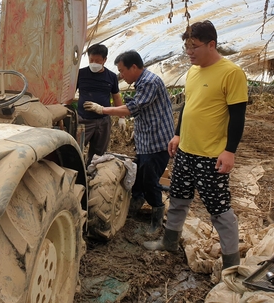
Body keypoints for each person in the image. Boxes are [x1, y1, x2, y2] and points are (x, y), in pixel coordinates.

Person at [143, 20, 248, 270]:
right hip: (186, 152)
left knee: (219, 210)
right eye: (186, 47)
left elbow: (238, 116)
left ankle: (231, 263)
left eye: (194, 46)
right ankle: (169, 241)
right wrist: (178, 135)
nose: (189, 52)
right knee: (178, 199)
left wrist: (229, 150)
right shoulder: (192, 71)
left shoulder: (231, 73)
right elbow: (189, 107)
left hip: (211, 156)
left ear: (211, 44)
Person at [84, 50, 174, 233]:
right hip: (146, 141)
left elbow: (132, 108)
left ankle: (157, 220)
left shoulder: (149, 82)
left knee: (150, 181)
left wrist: (102, 110)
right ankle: (133, 208)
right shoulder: (141, 82)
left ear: (134, 67)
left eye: (122, 71)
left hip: (156, 142)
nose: (122, 75)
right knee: (139, 179)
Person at [77, 43, 125, 167]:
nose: (94, 63)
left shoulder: (111, 77)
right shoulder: (80, 74)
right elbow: (69, 93)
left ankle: (92, 174)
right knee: (76, 149)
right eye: (91, 60)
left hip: (103, 121)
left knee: (98, 154)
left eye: (97, 61)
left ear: (104, 60)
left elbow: (116, 96)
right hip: (83, 120)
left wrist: (121, 117)